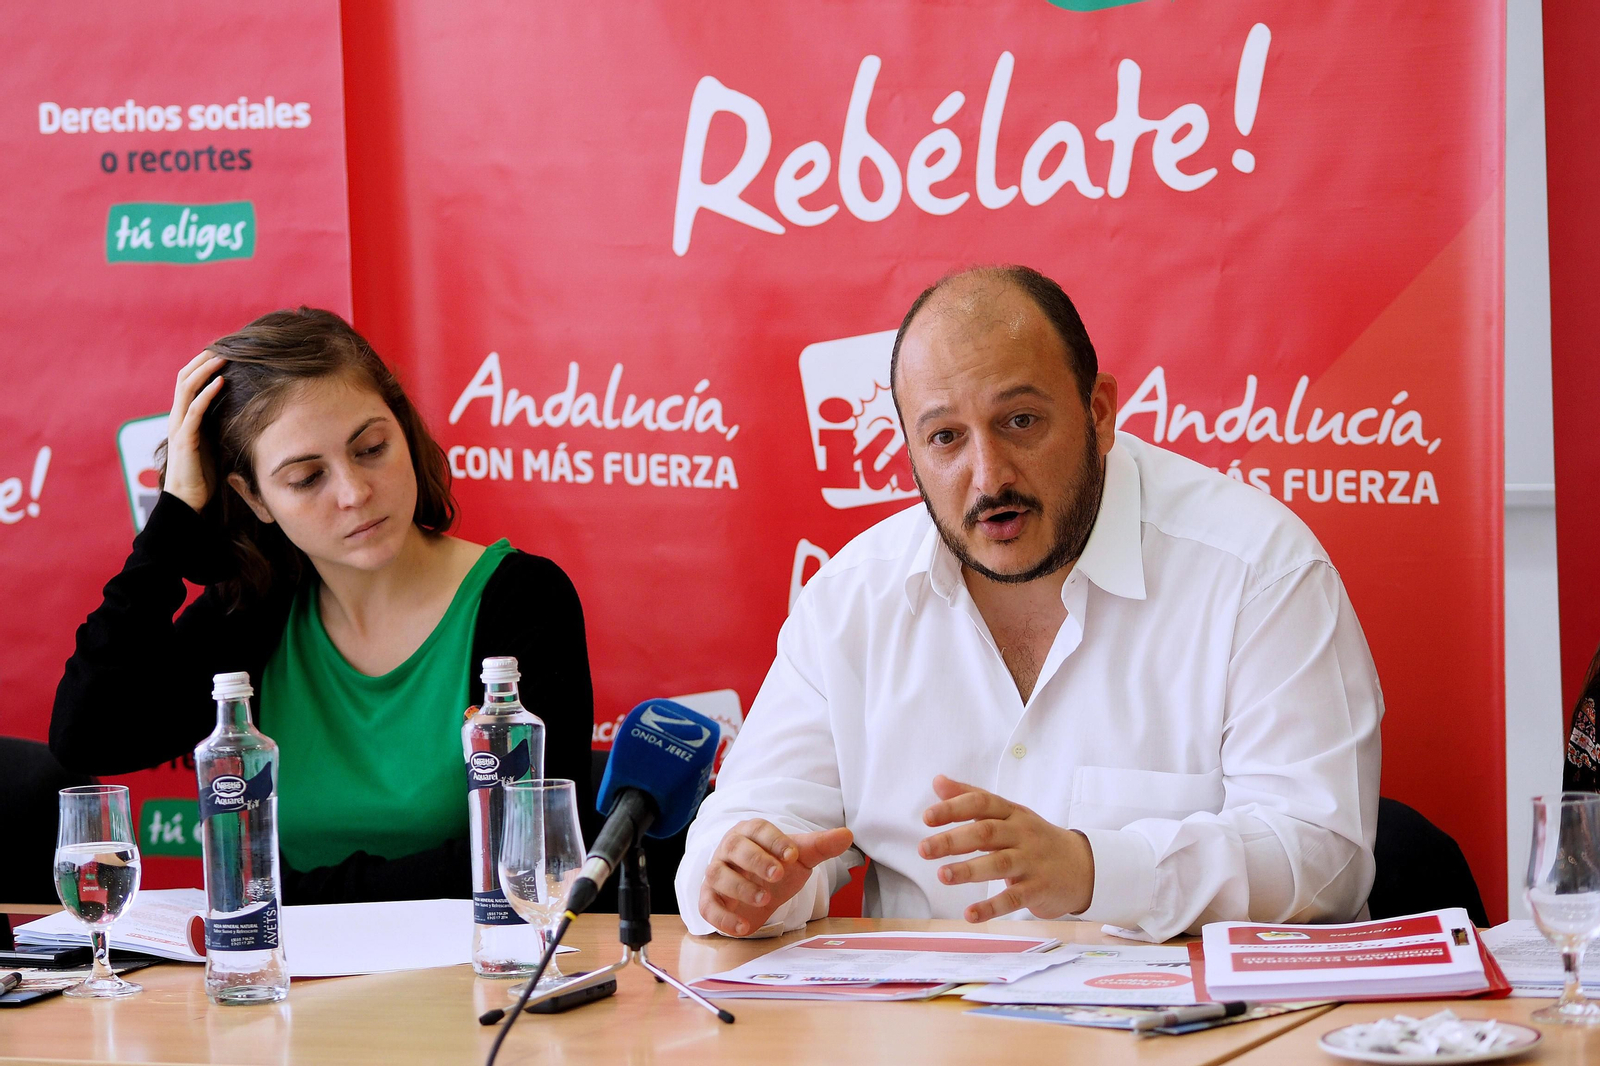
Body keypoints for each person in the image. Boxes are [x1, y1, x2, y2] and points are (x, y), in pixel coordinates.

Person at [677, 266, 1383, 942]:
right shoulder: (852, 598)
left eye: (1019, 421)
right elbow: (747, 823)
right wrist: (748, 882)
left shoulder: (1256, 569)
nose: (989, 477)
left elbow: (1325, 859)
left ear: (1098, 412)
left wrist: (1093, 870)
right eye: (946, 438)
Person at [51, 308, 594, 903]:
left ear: (405, 432)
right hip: (289, 981)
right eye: (307, 478)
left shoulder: (523, 598)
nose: (354, 493)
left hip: (474, 973)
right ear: (254, 498)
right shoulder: (255, 612)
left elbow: (527, 859)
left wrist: (287, 894)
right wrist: (173, 519)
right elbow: (88, 736)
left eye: (371, 448)